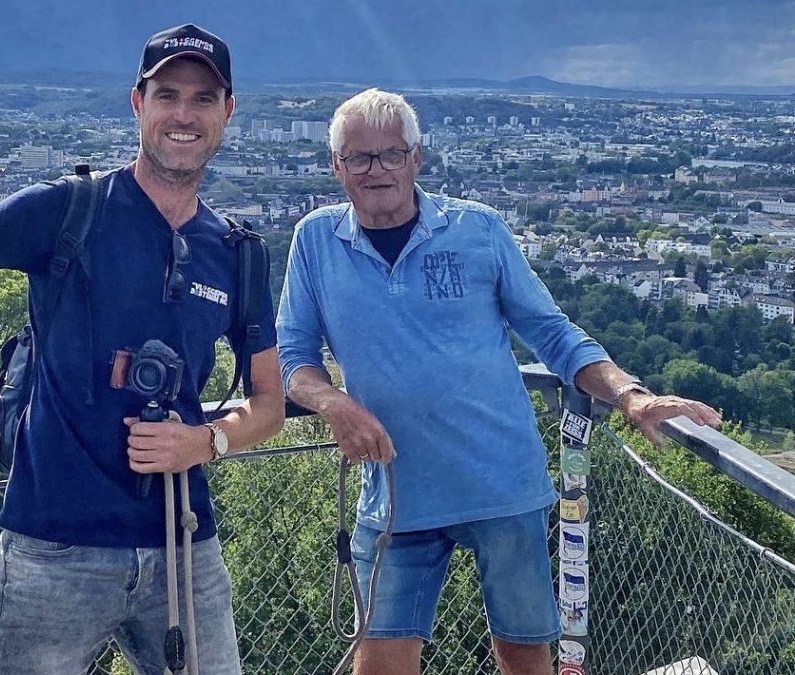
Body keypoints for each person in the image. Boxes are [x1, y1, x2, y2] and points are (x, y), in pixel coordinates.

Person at [0, 23, 284, 675]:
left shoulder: (237, 252)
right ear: (137, 103)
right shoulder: (65, 209)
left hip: (182, 544)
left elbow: (269, 402)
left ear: (227, 112)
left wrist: (207, 441)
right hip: (51, 547)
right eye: (167, 94)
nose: (184, 113)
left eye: (203, 99)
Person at [275, 88, 721, 675]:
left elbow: (554, 334)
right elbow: (292, 355)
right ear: (335, 167)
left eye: (390, 154)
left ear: (417, 158)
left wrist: (630, 396)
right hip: (395, 491)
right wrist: (332, 402)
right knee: (379, 661)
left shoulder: (478, 231)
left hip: (501, 481)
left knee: (523, 654)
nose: (376, 169)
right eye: (358, 157)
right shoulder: (315, 241)